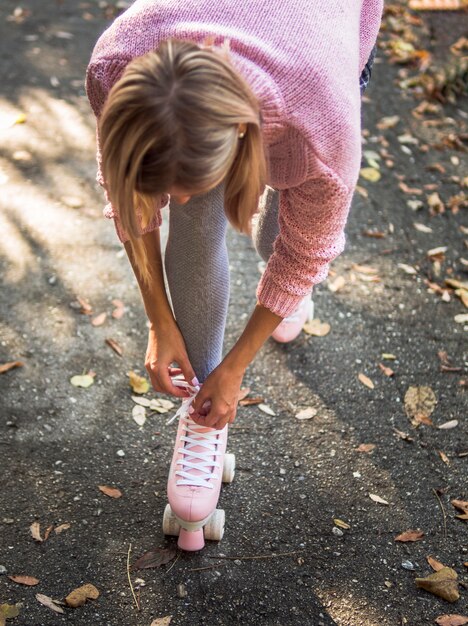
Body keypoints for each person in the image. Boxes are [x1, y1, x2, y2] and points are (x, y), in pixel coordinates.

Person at [86, 0, 383, 432]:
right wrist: (158, 318)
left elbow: (306, 253)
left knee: (278, 241)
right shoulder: (116, 68)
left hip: (320, 40)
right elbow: (128, 199)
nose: (176, 202)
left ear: (241, 131)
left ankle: (279, 312)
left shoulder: (322, 132)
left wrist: (236, 369)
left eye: (182, 185)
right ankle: (201, 412)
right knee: (195, 226)